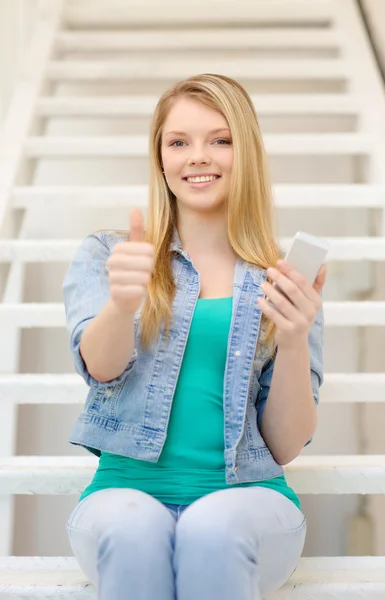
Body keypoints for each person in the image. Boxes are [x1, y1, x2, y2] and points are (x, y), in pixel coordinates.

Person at [63, 73, 326, 600]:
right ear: (160, 159)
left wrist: (294, 339)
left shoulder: (283, 279)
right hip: (123, 493)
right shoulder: (111, 255)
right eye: (178, 142)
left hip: (250, 502)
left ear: (245, 152)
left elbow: (286, 443)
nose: (197, 156)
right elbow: (100, 368)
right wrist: (122, 304)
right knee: (135, 528)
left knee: (210, 527)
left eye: (219, 140)